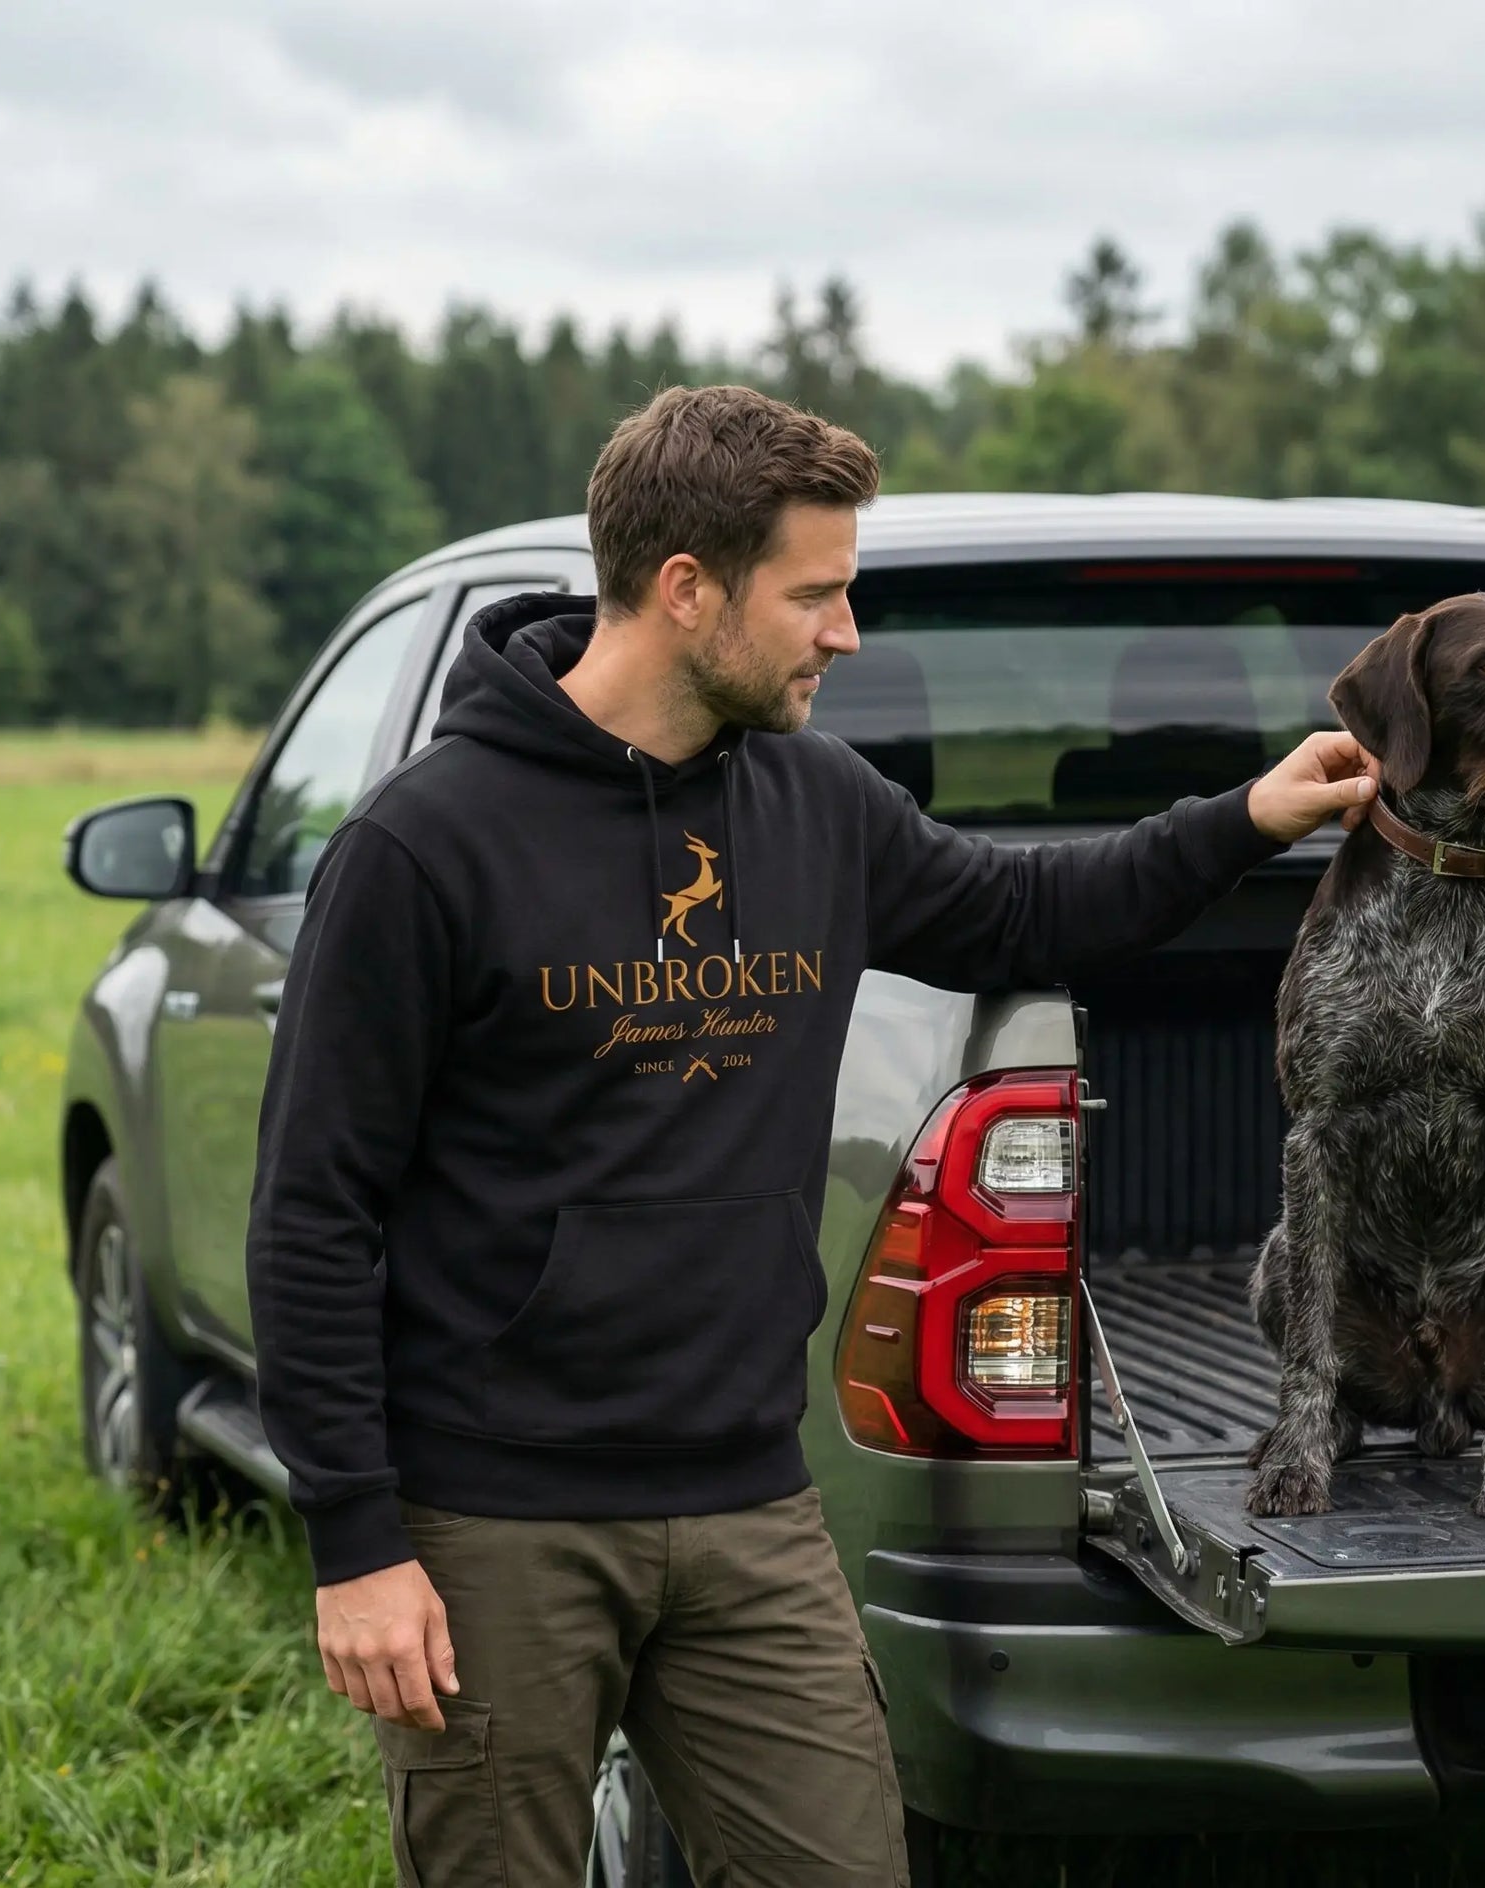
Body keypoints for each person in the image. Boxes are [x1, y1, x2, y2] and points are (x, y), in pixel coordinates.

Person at [245, 384, 1379, 1888]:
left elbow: (1028, 910)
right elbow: (314, 1212)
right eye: (818, 596)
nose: (846, 634)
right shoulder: (422, 848)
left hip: (746, 1505)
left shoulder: (815, 802)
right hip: (499, 1521)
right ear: (685, 589)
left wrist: (1250, 812)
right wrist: (357, 1545)